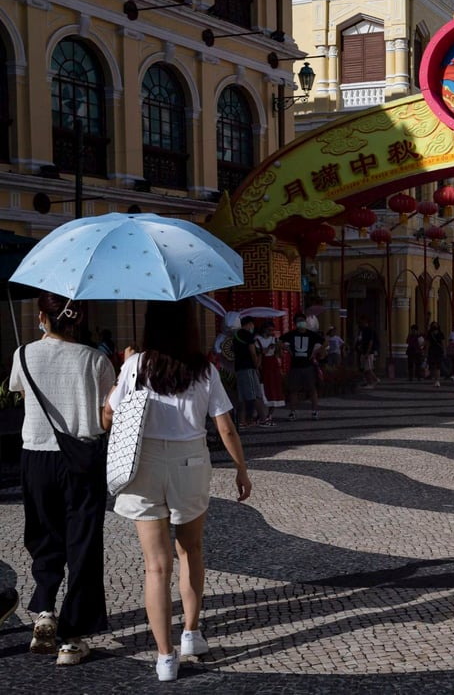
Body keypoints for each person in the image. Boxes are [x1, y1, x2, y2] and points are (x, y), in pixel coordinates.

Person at [104, 300, 252, 682]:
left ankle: (165, 658)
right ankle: (190, 633)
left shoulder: (136, 365)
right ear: (190, 326)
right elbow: (226, 427)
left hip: (145, 464)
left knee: (155, 565)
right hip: (190, 463)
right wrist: (240, 468)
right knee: (191, 550)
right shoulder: (204, 370)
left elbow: (108, 416)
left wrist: (124, 370)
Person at [9, 292, 116, 666]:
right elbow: (108, 413)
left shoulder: (22, 355)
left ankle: (44, 611)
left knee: (43, 533)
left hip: (36, 455)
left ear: (43, 318)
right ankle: (72, 638)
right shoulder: (96, 359)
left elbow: (19, 391)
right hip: (82, 458)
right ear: (78, 320)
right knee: (82, 539)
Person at [280, 313, 325, 420]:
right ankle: (292, 412)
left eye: (303, 320)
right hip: (295, 366)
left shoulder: (311, 334)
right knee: (293, 390)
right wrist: (288, 349)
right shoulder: (291, 334)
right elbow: (280, 341)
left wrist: (316, 351)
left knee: (312, 389)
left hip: (308, 366)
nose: (301, 323)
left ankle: (314, 411)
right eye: (299, 321)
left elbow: (325, 342)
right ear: (295, 323)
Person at [233, 316, 271, 428]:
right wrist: (256, 365)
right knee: (256, 395)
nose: (253, 327)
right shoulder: (247, 335)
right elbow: (253, 352)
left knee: (242, 396)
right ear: (249, 324)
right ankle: (263, 419)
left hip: (239, 368)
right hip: (248, 368)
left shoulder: (236, 335)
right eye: (252, 325)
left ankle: (242, 421)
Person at [255, 321, 285, 417]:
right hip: (263, 364)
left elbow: (279, 355)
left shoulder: (274, 339)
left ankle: (270, 414)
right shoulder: (257, 339)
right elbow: (257, 353)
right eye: (269, 330)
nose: (271, 332)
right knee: (263, 387)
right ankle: (260, 414)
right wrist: (267, 349)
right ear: (264, 329)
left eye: (272, 330)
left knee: (274, 388)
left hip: (273, 364)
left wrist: (279, 348)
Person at [356, 316, 380, 388]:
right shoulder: (362, 331)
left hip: (368, 352)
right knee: (365, 368)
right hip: (363, 351)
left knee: (368, 368)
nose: (360, 324)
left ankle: (374, 381)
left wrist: (367, 352)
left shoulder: (369, 330)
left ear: (365, 322)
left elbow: (370, 342)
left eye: (361, 322)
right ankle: (367, 382)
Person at [425, 321, 446, 387]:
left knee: (437, 366)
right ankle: (435, 379)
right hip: (432, 351)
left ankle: (437, 380)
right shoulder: (430, 333)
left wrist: (444, 350)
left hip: (437, 351)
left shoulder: (440, 333)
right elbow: (428, 343)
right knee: (433, 366)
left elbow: (443, 342)